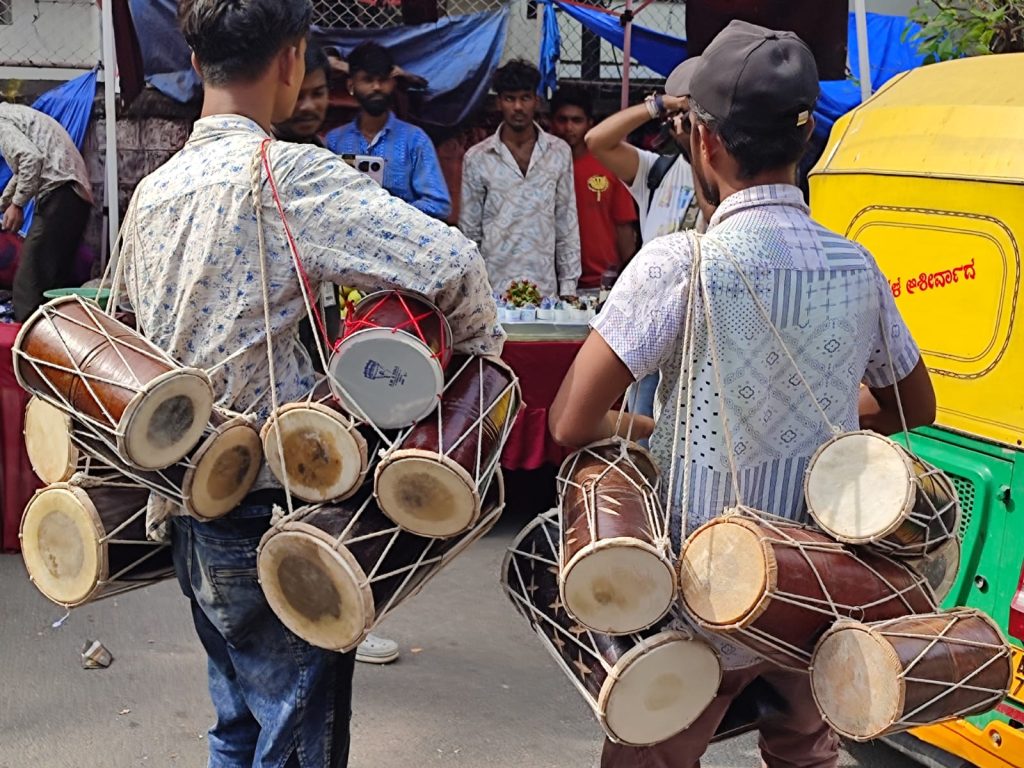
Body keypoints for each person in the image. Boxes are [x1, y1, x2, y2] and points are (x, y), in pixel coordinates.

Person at [117, 1, 503, 765]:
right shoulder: (288, 177)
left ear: (196, 65)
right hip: (273, 513)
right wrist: (474, 378)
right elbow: (454, 264)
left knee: (237, 723)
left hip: (187, 508)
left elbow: (125, 324)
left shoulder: (153, 191)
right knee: (296, 742)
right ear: (293, 60)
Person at [548, 21, 936, 768]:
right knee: (802, 748)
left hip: (702, 589)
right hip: (818, 579)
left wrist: (653, 427)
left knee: (652, 756)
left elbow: (571, 422)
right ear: (804, 143)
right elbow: (913, 409)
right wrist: (815, 424)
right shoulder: (856, 266)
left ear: (705, 142)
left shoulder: (679, 265)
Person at [272, 39, 401, 668]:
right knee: (304, 484)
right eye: (304, 92)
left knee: (337, 479)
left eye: (323, 94)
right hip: (282, 350)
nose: (312, 105)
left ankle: (342, 608)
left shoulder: (325, 159)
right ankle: (315, 611)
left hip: (326, 330)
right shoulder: (277, 164)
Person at [583, 59, 701, 431]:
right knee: (642, 425)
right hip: (651, 320)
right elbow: (596, 141)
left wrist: (693, 144)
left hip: (698, 323)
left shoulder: (722, 171)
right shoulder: (657, 169)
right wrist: (659, 105)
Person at [460, 59, 581, 299]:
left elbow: (566, 222)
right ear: (498, 102)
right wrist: (471, 290)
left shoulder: (559, 152)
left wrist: (568, 286)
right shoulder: (477, 158)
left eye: (525, 97)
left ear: (537, 100)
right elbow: (469, 233)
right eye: (509, 98)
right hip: (492, 288)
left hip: (545, 288)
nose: (518, 106)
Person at [324, 41, 451, 220]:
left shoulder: (415, 140)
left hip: (401, 242)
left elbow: (438, 204)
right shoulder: (334, 141)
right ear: (351, 86)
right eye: (367, 80)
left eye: (382, 80)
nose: (376, 87)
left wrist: (389, 213)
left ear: (392, 84)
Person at [0, 102, 93, 321]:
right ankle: (54, 336)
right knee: (51, 281)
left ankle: (24, 342)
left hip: (60, 193)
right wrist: (5, 204)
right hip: (75, 194)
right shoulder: (15, 115)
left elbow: (31, 159)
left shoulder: (1, 122)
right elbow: (23, 169)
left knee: (29, 279)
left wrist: (18, 205)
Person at [549, 85, 637, 291]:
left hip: (600, 281)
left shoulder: (608, 166)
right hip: (552, 281)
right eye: (562, 120)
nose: (568, 127)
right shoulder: (542, 168)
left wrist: (629, 278)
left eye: (576, 120)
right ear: (552, 122)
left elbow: (623, 226)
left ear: (590, 124)